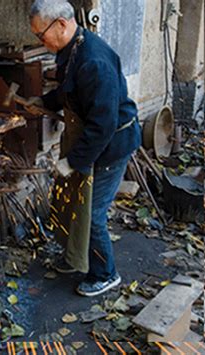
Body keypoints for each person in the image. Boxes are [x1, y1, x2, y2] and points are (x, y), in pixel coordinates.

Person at [27, 0, 142, 297]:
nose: (41, 41)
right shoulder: (73, 48)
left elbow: (102, 126)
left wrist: (73, 162)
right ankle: (75, 258)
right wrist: (46, 102)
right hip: (93, 141)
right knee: (71, 204)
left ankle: (106, 273)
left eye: (41, 36)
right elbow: (71, 88)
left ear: (61, 25)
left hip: (111, 145)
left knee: (92, 213)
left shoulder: (94, 61)